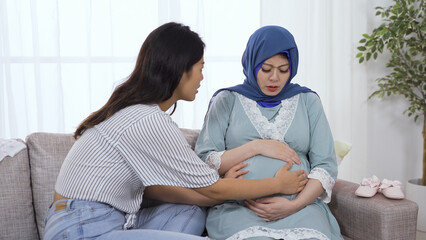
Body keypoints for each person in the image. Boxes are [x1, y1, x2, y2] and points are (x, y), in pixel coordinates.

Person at [43, 22, 309, 240]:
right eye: (200, 68)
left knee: (192, 212)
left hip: (106, 218)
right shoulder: (148, 120)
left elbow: (155, 190)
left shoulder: (140, 111)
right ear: (182, 69)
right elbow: (213, 188)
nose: (202, 78)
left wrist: (215, 194)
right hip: (80, 226)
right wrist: (277, 184)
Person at [195, 25, 343, 240]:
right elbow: (205, 161)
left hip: (301, 209)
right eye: (266, 69)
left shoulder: (308, 101)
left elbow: (325, 166)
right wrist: (256, 146)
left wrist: (293, 205)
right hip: (240, 208)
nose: (275, 78)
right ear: (252, 64)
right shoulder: (226, 100)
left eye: (284, 70)